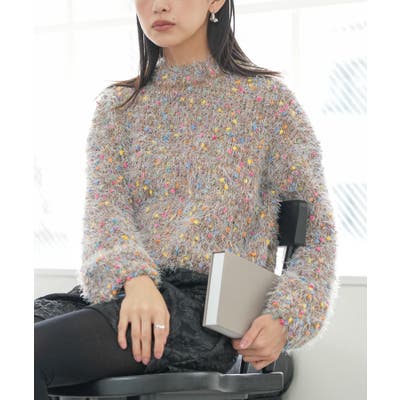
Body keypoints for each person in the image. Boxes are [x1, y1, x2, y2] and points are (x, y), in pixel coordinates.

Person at [34, 0, 338, 399]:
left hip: (204, 313)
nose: (159, 5)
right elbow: (104, 212)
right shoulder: (118, 106)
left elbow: (318, 233)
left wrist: (286, 316)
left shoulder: (267, 102)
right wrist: (134, 280)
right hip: (127, 294)